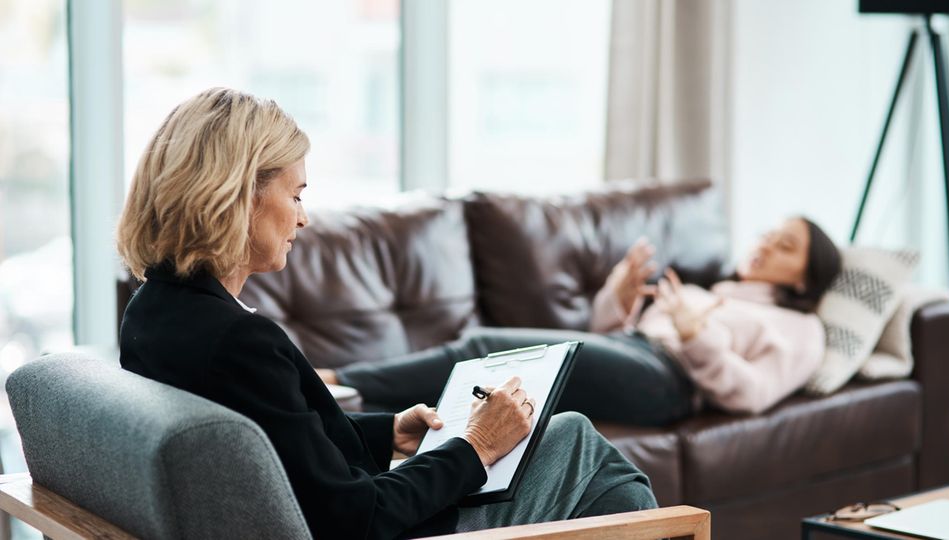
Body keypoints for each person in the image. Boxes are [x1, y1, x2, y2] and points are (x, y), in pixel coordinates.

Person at [115, 88, 655, 540]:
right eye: (296, 194)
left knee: (609, 491)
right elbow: (356, 518)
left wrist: (388, 432)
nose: (304, 219)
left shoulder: (154, 311)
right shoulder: (239, 342)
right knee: (577, 442)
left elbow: (273, 447)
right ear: (238, 196)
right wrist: (475, 446)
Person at [324, 217, 842, 426]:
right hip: (638, 355)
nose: (768, 244)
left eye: (786, 246)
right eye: (771, 233)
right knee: (485, 381)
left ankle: (339, 384)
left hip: (670, 382)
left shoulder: (801, 330)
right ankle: (348, 416)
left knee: (485, 347)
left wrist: (695, 333)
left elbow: (751, 394)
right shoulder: (714, 292)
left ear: (805, 278)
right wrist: (617, 297)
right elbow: (607, 339)